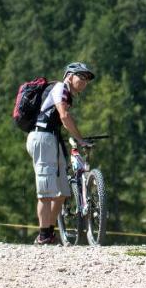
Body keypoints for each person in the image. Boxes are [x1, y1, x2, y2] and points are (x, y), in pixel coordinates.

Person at [26, 62, 95, 245]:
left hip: (52, 139)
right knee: (46, 190)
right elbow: (64, 116)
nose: (85, 81)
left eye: (87, 79)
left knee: (63, 191)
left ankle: (48, 232)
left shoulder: (67, 94)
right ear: (69, 76)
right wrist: (80, 140)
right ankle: (43, 235)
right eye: (81, 76)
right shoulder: (59, 88)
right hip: (42, 137)